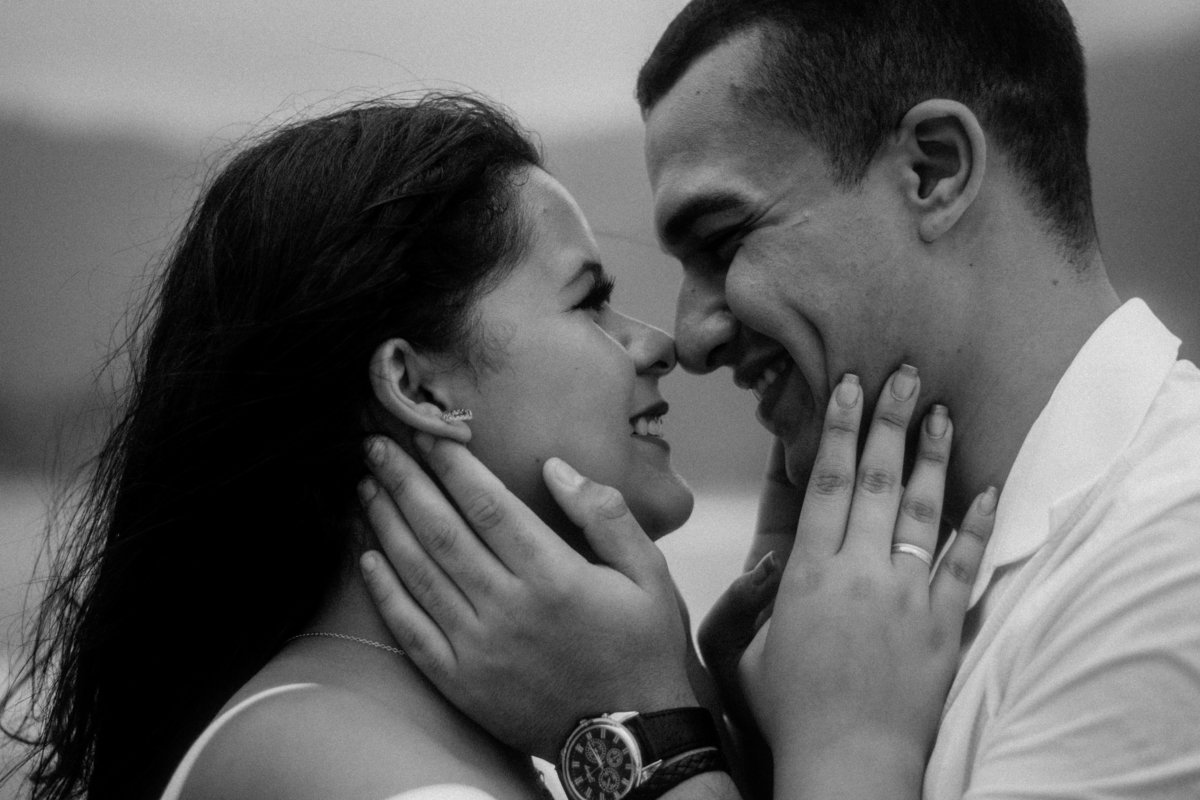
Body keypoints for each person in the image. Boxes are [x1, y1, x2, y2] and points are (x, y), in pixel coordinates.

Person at [357, 1, 1200, 798]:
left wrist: (657, 733)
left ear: (935, 170)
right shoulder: (902, 601)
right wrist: (762, 759)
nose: (691, 338)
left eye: (725, 240)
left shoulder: (1167, 560)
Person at [3, 93, 724, 800]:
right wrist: (657, 729)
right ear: (415, 387)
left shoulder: (361, 734)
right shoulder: (364, 770)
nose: (657, 344)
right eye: (588, 300)